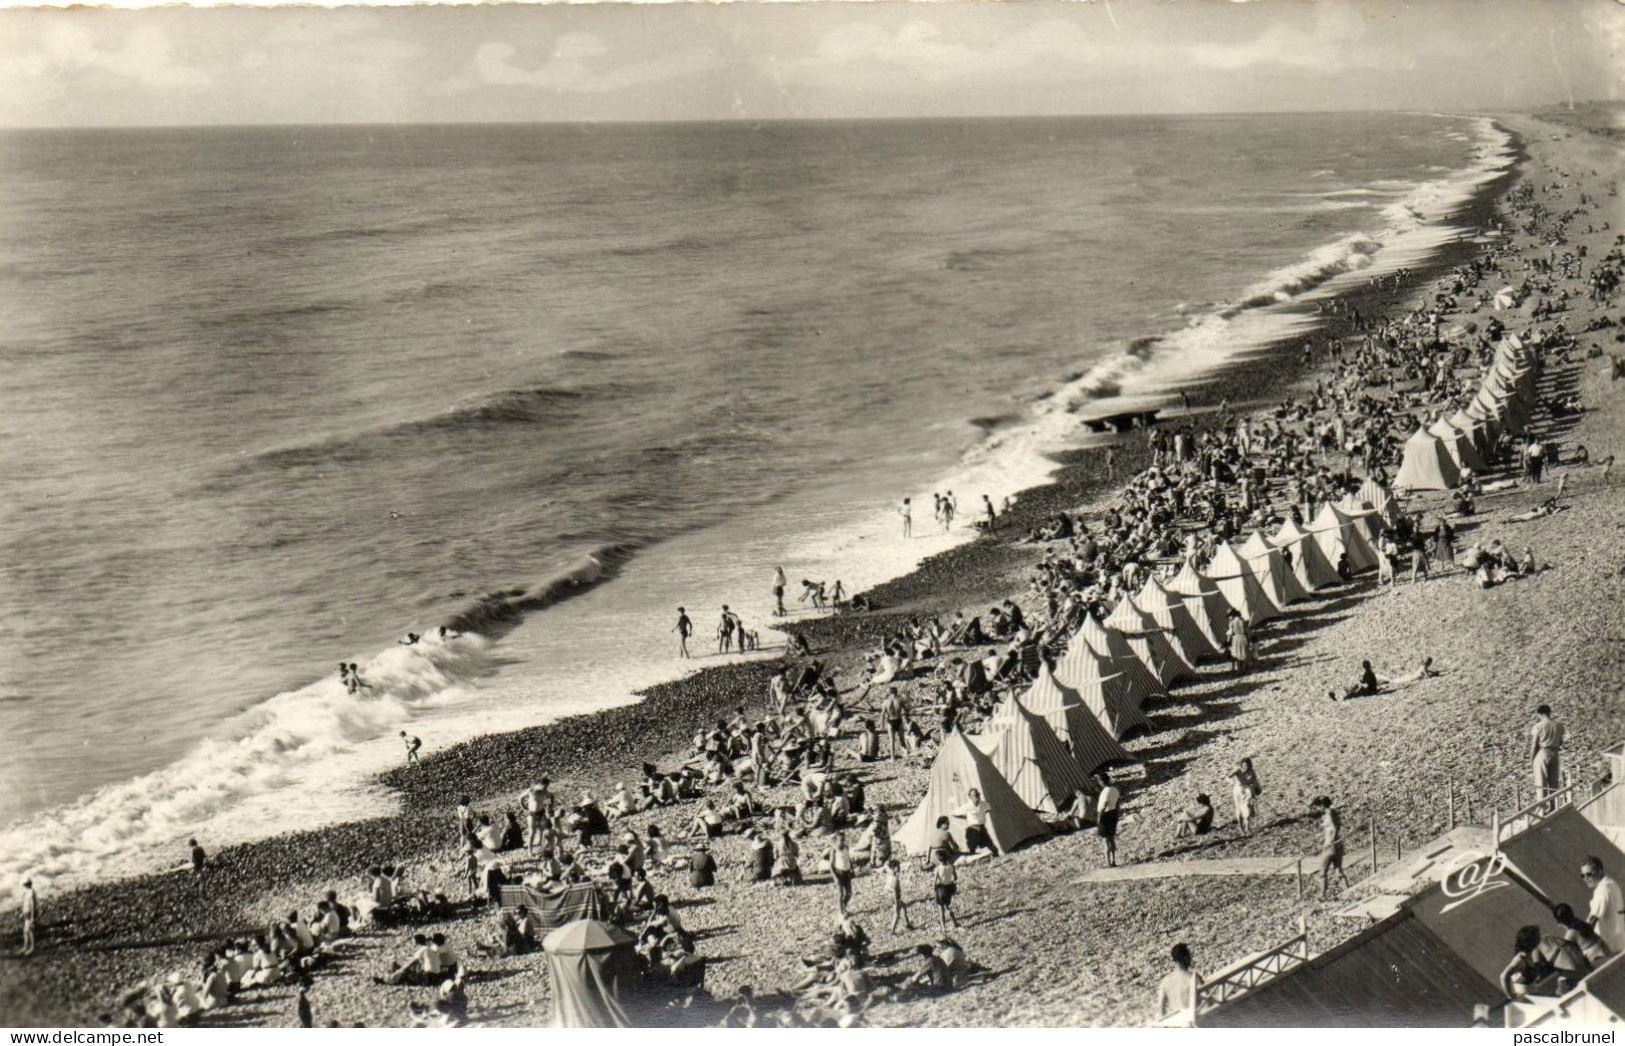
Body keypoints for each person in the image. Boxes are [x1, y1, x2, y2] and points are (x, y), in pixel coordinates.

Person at [1500, 924, 1589, 998]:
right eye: (1537, 936)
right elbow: (1504, 976)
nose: (1540, 938)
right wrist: (1511, 996)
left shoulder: (1530, 954)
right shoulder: (1520, 959)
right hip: (1522, 993)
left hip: (1531, 990)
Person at [1582, 856, 1625, 954]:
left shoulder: (1602, 889)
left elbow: (1592, 920)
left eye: (1588, 874)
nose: (1586, 878)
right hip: (1619, 942)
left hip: (1610, 948)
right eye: (1583, 875)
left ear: (1600, 871)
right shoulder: (1611, 883)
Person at [1312, 796, 1348, 899]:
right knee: (1338, 870)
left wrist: (1331, 842)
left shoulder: (1329, 814)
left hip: (1330, 846)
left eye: (1318, 807)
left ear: (1322, 805)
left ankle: (1322, 895)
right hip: (1337, 845)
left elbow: (1335, 827)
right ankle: (1348, 891)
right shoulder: (1333, 813)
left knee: (1322, 872)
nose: (1318, 810)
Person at [1531, 704, 1564, 810]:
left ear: (1540, 714)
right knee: (1553, 781)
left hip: (1543, 752)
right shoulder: (1559, 725)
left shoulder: (1539, 726)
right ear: (1550, 712)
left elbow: (1534, 745)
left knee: (1541, 782)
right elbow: (1561, 742)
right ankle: (1553, 807)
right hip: (1555, 753)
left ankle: (1542, 808)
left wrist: (1531, 760)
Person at [1157, 943, 1200, 1025]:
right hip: (1193, 1023)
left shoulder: (1165, 981)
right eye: (1189, 956)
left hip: (1178, 1023)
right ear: (1185, 958)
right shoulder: (1193, 978)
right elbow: (1208, 1002)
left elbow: (1161, 1008)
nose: (1191, 959)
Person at [951, 789, 996, 856]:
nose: (977, 796)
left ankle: (995, 856)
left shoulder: (984, 804)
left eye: (978, 794)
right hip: (973, 829)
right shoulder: (967, 806)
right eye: (974, 795)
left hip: (982, 828)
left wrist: (981, 815)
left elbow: (989, 809)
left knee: (991, 846)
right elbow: (953, 813)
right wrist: (965, 817)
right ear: (970, 797)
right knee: (972, 847)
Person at [1096, 772, 1122, 868]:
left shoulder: (1105, 791)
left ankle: (1108, 862)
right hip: (1113, 814)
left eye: (1099, 781)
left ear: (1102, 781)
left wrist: (1099, 818)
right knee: (1111, 838)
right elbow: (1118, 803)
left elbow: (1104, 805)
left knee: (1105, 839)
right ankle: (1114, 860)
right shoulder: (1115, 789)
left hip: (1105, 815)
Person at [827, 832, 855, 916]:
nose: (843, 841)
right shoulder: (834, 849)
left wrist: (852, 869)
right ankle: (841, 912)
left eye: (844, 839)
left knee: (849, 893)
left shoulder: (846, 847)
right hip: (839, 873)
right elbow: (831, 865)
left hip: (847, 872)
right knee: (840, 893)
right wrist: (835, 877)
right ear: (836, 840)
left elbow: (848, 859)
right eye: (841, 840)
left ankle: (843, 907)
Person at [1231, 758, 1262, 836]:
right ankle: (1241, 829)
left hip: (1247, 791)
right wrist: (1232, 782)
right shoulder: (1238, 770)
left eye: (1247, 765)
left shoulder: (1251, 771)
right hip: (1238, 791)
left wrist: (1257, 788)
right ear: (1241, 765)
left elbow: (1255, 781)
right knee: (1239, 809)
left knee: (1248, 807)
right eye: (1244, 765)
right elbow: (1228, 777)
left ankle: (1247, 827)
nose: (1246, 767)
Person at [931, 850, 959, 930]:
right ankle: (955, 922)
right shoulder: (951, 866)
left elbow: (935, 881)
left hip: (940, 888)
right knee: (948, 907)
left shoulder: (938, 868)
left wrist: (934, 889)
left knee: (941, 909)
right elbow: (955, 877)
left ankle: (943, 927)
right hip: (948, 888)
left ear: (938, 860)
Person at [883, 858, 912, 933]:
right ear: (893, 868)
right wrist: (896, 902)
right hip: (895, 897)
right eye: (898, 867)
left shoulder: (889, 875)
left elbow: (886, 866)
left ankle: (907, 923)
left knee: (903, 906)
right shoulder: (895, 879)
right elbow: (894, 891)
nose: (899, 868)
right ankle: (892, 929)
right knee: (897, 913)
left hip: (889, 896)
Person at [1225, 611, 1250, 675]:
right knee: (1244, 653)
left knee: (1237, 654)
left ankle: (1239, 670)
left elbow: (1231, 632)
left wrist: (1227, 635)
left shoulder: (1232, 623)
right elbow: (1246, 631)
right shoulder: (1243, 621)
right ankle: (1244, 669)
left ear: (1233, 615)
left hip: (1236, 638)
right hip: (1243, 637)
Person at [20, 879, 37, 956]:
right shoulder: (27, 892)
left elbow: (32, 905)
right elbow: (24, 903)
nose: (25, 886)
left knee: (29, 931)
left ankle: (32, 948)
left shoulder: (30, 892)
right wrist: (22, 913)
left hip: (30, 913)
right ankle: (25, 947)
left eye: (26, 884)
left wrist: (32, 917)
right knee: (25, 931)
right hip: (26, 913)